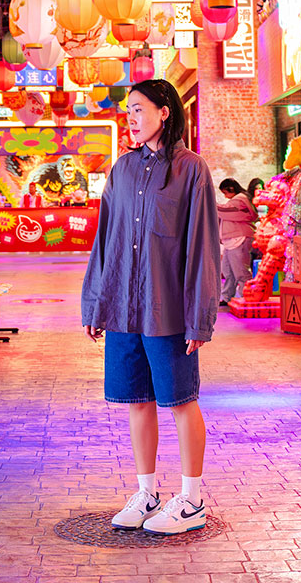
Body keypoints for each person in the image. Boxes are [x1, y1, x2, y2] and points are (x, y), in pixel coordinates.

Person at [81, 79, 221, 536]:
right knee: (136, 401)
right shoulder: (120, 170)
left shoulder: (192, 170)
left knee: (181, 400)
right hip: (124, 306)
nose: (131, 117)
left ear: (164, 112)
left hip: (169, 311)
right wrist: (96, 303)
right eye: (129, 110)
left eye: (138, 109)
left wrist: (200, 316)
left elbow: (203, 247)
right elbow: (106, 242)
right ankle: (147, 492)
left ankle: (192, 498)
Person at [216, 179, 256, 304]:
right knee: (228, 271)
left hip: (239, 238)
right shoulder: (238, 200)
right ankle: (227, 297)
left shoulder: (240, 200)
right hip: (233, 240)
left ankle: (248, 297)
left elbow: (224, 211)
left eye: (225, 192)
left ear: (231, 189)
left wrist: (210, 202)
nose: (225, 196)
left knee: (241, 271)